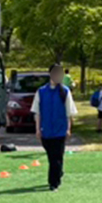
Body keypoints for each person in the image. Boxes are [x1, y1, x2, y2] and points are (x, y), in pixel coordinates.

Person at [31, 62, 77, 192]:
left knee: (56, 157)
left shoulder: (65, 92)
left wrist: (68, 128)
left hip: (60, 130)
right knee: (52, 157)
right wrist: (37, 129)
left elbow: (69, 112)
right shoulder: (41, 92)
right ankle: (58, 172)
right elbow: (37, 112)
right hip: (46, 130)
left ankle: (53, 182)